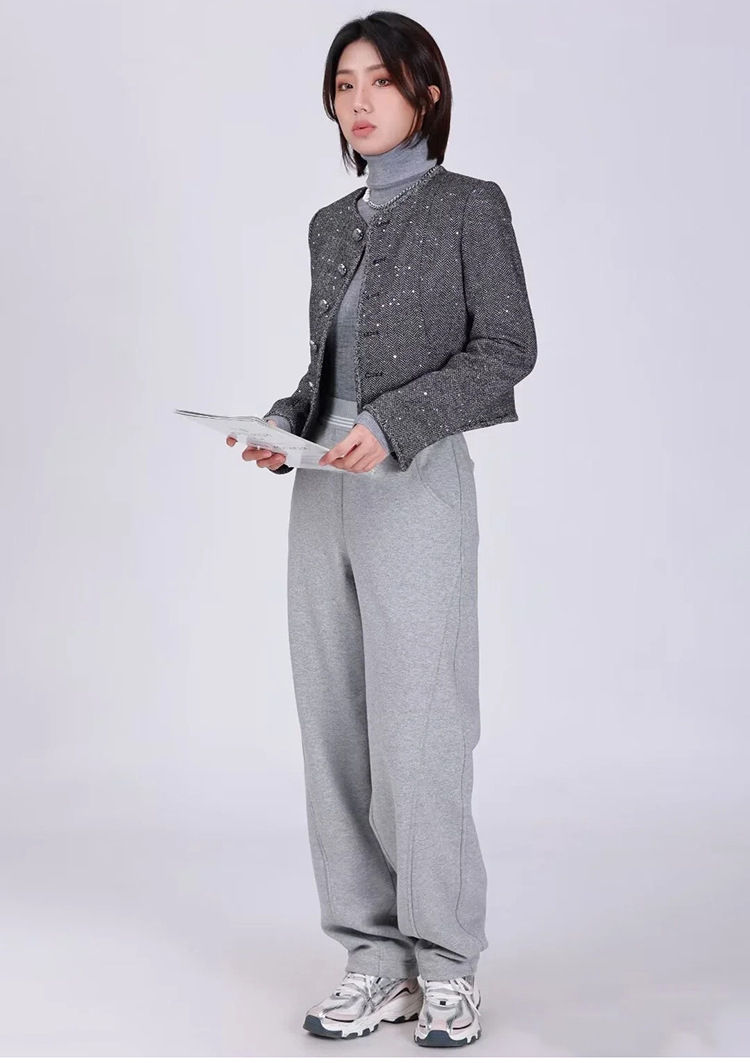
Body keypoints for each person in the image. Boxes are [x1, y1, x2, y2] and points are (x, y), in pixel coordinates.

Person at [226, 11, 536, 1048]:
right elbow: (331, 371)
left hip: (416, 481)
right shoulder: (330, 223)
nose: (358, 102)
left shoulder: (469, 206)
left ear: (426, 94)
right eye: (343, 84)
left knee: (421, 728)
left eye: (380, 82)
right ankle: (374, 957)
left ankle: (446, 962)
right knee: (334, 724)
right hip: (324, 487)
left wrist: (394, 425)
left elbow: (506, 349)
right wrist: (284, 425)